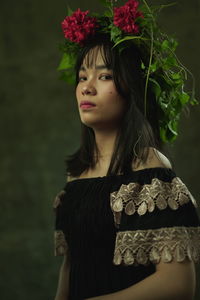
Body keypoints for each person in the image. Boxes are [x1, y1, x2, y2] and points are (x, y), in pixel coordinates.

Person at [53, 1, 200, 299]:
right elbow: (71, 267)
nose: (87, 87)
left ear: (130, 86)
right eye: (83, 76)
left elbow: (179, 284)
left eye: (104, 76)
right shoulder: (76, 175)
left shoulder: (149, 168)